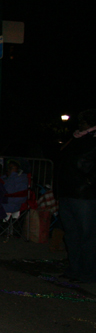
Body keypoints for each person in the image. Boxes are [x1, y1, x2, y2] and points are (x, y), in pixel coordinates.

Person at [56, 109, 96, 283]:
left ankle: (88, 272)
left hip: (84, 195)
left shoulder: (91, 139)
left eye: (83, 122)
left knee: (87, 235)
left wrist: (89, 182)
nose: (80, 125)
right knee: (72, 234)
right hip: (68, 192)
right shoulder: (75, 138)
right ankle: (74, 269)